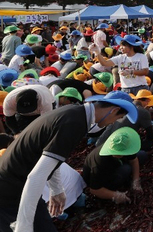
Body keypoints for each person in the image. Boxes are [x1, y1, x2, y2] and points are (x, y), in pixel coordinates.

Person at [0, 91, 137, 231]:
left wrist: (56, 189)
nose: (113, 123)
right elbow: (35, 176)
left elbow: (49, 157)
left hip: (22, 185)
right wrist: (25, 226)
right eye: (117, 118)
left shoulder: (74, 113)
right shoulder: (74, 123)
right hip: (8, 189)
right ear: (114, 110)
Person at [82, 127, 143, 205]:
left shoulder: (123, 145)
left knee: (142, 155)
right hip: (101, 179)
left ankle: (127, 177)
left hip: (116, 163)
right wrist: (116, 195)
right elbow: (94, 190)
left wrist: (136, 181)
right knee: (126, 169)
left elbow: (134, 161)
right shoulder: (100, 162)